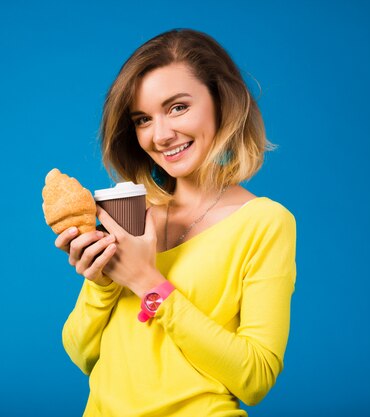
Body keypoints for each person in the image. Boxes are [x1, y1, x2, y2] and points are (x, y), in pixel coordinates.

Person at [55, 28, 296, 416]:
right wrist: (100, 284)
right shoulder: (129, 212)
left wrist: (146, 281)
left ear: (221, 102)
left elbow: (255, 378)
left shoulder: (264, 223)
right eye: (142, 119)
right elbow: (82, 355)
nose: (161, 135)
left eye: (178, 107)